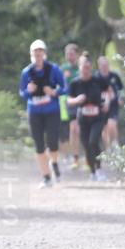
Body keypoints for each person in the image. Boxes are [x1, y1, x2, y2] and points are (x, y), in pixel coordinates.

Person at [19, 39, 66, 188]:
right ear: (31, 54)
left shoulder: (54, 69)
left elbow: (65, 88)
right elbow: (22, 93)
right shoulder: (26, 72)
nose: (38, 54)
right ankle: (46, 177)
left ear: (44, 53)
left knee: (52, 142)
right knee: (39, 144)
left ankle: (54, 162)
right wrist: (28, 91)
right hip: (34, 112)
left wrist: (54, 92)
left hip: (52, 110)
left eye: (40, 51)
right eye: (35, 52)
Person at [67, 55, 112, 181]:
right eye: (83, 68)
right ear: (79, 68)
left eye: (88, 68)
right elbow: (69, 100)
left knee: (93, 141)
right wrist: (76, 100)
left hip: (98, 117)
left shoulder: (98, 80)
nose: (86, 70)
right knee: (86, 145)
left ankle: (99, 169)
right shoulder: (75, 83)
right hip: (83, 118)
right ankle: (92, 171)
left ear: (91, 68)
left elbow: (108, 91)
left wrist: (107, 103)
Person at [58, 43, 81, 170]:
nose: (69, 57)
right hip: (64, 102)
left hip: (79, 102)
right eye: (67, 54)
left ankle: (78, 155)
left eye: (72, 54)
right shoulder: (62, 69)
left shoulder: (82, 67)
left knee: (76, 129)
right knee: (65, 130)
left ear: (77, 54)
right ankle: (67, 155)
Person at [96, 56, 125, 150]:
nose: (104, 67)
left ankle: (115, 144)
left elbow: (121, 89)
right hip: (102, 105)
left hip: (113, 104)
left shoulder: (114, 76)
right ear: (99, 66)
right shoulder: (96, 77)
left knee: (112, 123)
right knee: (105, 128)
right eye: (102, 65)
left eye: (106, 65)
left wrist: (121, 98)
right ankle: (107, 148)